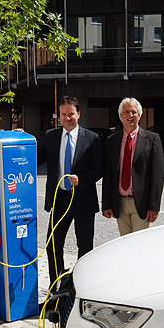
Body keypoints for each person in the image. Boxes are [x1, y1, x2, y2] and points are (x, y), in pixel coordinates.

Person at [37, 96, 104, 287]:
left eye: (71, 114)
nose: (67, 118)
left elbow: (99, 169)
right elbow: (36, 158)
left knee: (84, 247)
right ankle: (56, 292)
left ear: (79, 114)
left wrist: (81, 179)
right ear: (59, 116)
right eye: (63, 114)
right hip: (59, 199)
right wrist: (20, 140)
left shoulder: (92, 139)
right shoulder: (50, 136)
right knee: (53, 247)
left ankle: (81, 288)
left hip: (83, 199)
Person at [102, 97, 164, 235]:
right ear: (120, 115)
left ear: (139, 115)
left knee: (139, 245)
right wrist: (106, 204)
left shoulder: (152, 139)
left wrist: (154, 206)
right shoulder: (112, 141)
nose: (130, 116)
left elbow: (157, 176)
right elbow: (108, 174)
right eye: (126, 112)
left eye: (134, 112)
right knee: (124, 244)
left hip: (141, 204)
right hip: (119, 203)